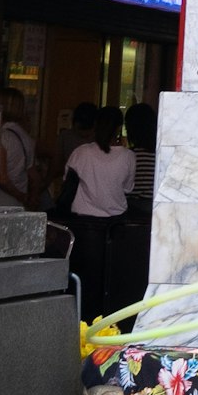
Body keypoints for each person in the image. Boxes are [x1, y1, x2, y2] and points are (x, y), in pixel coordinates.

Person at [55, 105, 139, 320]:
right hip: (115, 228)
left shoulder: (80, 153)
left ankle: (81, 319)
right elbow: (128, 189)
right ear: (119, 128)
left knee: (84, 280)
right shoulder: (128, 156)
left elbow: (67, 183)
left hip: (83, 228)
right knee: (111, 282)